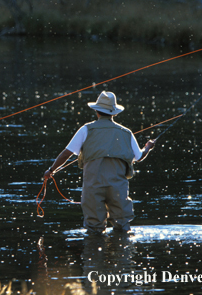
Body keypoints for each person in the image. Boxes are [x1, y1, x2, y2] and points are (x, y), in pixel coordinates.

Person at [43, 91, 156, 235]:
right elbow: (139, 157)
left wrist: (51, 170)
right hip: (118, 187)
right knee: (122, 228)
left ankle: (95, 254)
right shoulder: (126, 132)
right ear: (114, 113)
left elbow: (66, 154)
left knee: (94, 229)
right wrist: (148, 147)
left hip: (93, 186)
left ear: (96, 111)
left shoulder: (86, 129)